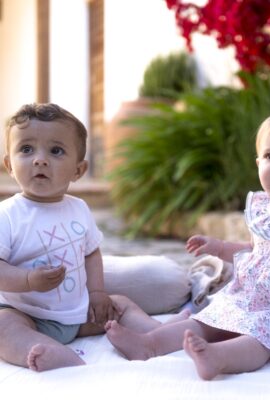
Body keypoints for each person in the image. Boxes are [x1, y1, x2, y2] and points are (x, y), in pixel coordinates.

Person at [105, 110, 270, 380]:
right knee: (209, 319)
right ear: (258, 163)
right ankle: (149, 344)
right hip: (251, 298)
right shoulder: (263, 212)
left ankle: (218, 359)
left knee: (260, 337)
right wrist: (219, 247)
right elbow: (256, 252)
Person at [0, 103, 188, 372]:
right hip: (28, 313)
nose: (40, 160)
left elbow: (91, 253)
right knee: (4, 326)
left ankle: (157, 332)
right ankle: (45, 352)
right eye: (26, 149)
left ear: (78, 170)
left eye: (56, 151)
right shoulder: (8, 214)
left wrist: (97, 294)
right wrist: (27, 280)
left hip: (77, 313)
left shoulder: (79, 208)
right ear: (9, 164)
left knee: (119, 305)